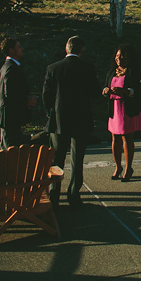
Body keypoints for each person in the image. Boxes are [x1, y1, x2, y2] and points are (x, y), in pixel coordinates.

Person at [43, 35, 100, 208]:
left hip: (59, 119)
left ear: (66, 49)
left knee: (57, 159)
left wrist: (50, 113)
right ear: (82, 51)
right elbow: (95, 93)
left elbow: (47, 95)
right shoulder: (88, 68)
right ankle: (74, 194)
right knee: (77, 158)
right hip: (81, 118)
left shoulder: (53, 68)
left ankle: (54, 194)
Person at [102, 43, 141, 182]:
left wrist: (124, 91)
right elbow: (105, 88)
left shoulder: (133, 72)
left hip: (127, 109)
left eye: (123, 57)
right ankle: (117, 166)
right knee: (115, 139)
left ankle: (128, 167)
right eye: (117, 56)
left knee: (127, 138)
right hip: (114, 109)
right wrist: (106, 91)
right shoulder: (111, 72)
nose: (119, 59)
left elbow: (137, 91)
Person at [0, 38, 29, 150]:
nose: (22, 49)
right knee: (11, 152)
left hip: (8, 117)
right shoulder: (11, 68)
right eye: (18, 47)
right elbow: (9, 94)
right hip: (10, 117)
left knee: (7, 151)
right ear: (11, 51)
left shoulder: (5, 67)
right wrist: (26, 101)